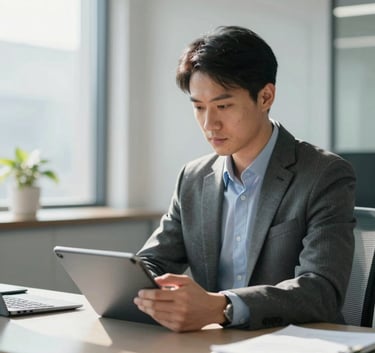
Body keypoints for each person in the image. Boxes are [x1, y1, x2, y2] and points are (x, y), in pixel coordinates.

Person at [134, 25, 356, 332]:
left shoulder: (324, 174)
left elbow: (322, 291)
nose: (209, 123)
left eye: (223, 106)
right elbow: (153, 264)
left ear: (265, 97)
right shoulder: (193, 177)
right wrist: (133, 285)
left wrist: (222, 307)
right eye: (199, 107)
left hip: (296, 343)